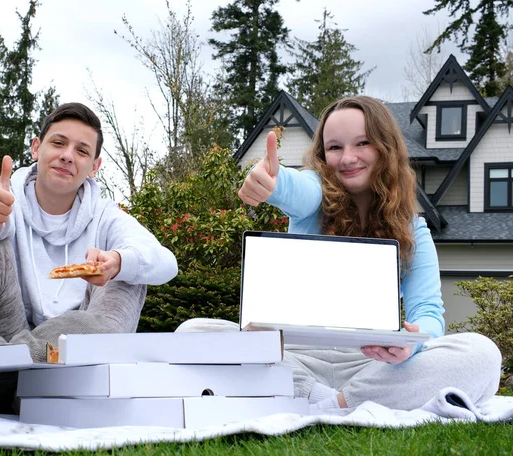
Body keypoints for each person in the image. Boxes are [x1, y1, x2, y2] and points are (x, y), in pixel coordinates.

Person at [177, 96, 501, 411]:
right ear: (323, 154)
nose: (347, 158)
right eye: (334, 147)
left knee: (482, 354)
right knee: (192, 333)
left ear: (386, 148)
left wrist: (410, 346)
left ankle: (329, 403)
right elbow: (297, 189)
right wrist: (274, 183)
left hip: (372, 364)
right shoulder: (314, 196)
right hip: (294, 358)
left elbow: (428, 313)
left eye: (362, 143)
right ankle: (331, 401)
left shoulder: (414, 230)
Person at [0, 102, 178, 416]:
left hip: (74, 350)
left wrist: (117, 261)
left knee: (128, 268)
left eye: (81, 150)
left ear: (94, 166)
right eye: (59, 143)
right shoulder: (8, 199)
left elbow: (166, 262)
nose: (67, 155)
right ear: (37, 148)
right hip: (12, 331)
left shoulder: (105, 215)